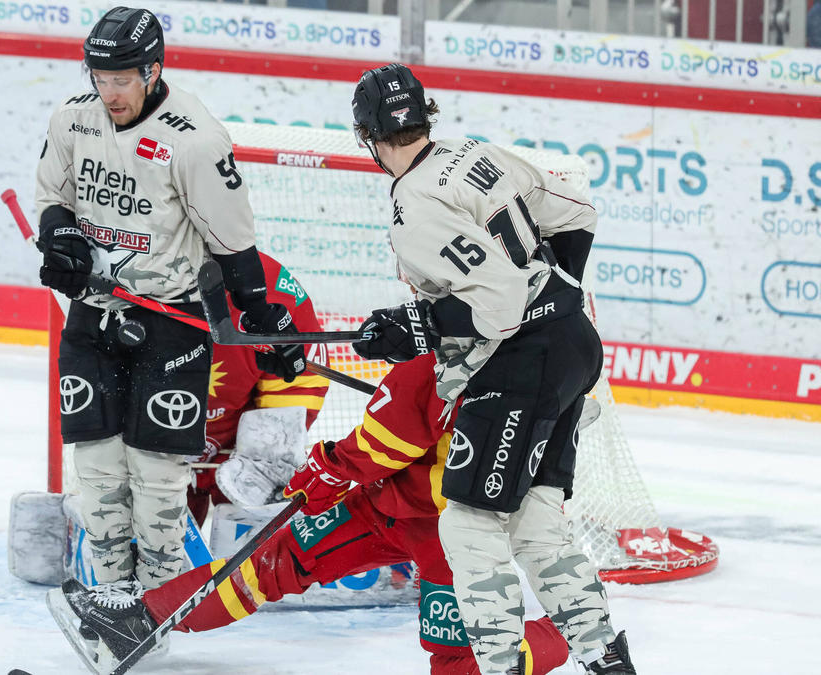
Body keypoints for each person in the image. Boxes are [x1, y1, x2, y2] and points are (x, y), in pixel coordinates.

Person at [347, 63, 633, 675]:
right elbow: (577, 213)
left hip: (519, 363)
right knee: (535, 524)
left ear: (366, 135)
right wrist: (554, 297)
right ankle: (609, 661)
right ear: (427, 116)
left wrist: (416, 326)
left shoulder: (413, 205)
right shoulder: (473, 154)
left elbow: (499, 304)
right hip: (572, 345)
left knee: (472, 525)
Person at [46, 355, 571, 675]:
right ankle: (142, 619)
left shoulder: (495, 363)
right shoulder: (458, 347)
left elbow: (376, 445)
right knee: (275, 560)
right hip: (384, 504)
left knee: (459, 670)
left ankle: (562, 633)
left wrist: (325, 471)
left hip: (454, 538)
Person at [35, 5, 305, 601]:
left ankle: (158, 599)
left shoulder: (196, 140)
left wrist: (265, 320)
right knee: (98, 468)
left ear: (153, 71)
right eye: (99, 79)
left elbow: (233, 245)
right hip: (95, 312)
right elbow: (53, 195)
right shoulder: (72, 121)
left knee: (157, 477)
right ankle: (111, 592)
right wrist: (59, 235)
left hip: (170, 320)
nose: (109, 93)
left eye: (122, 80)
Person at [188, 251, 330, 525]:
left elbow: (298, 381)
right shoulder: (135, 268)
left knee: (252, 552)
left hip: (237, 455)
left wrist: (264, 461)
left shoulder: (270, 289)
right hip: (150, 447)